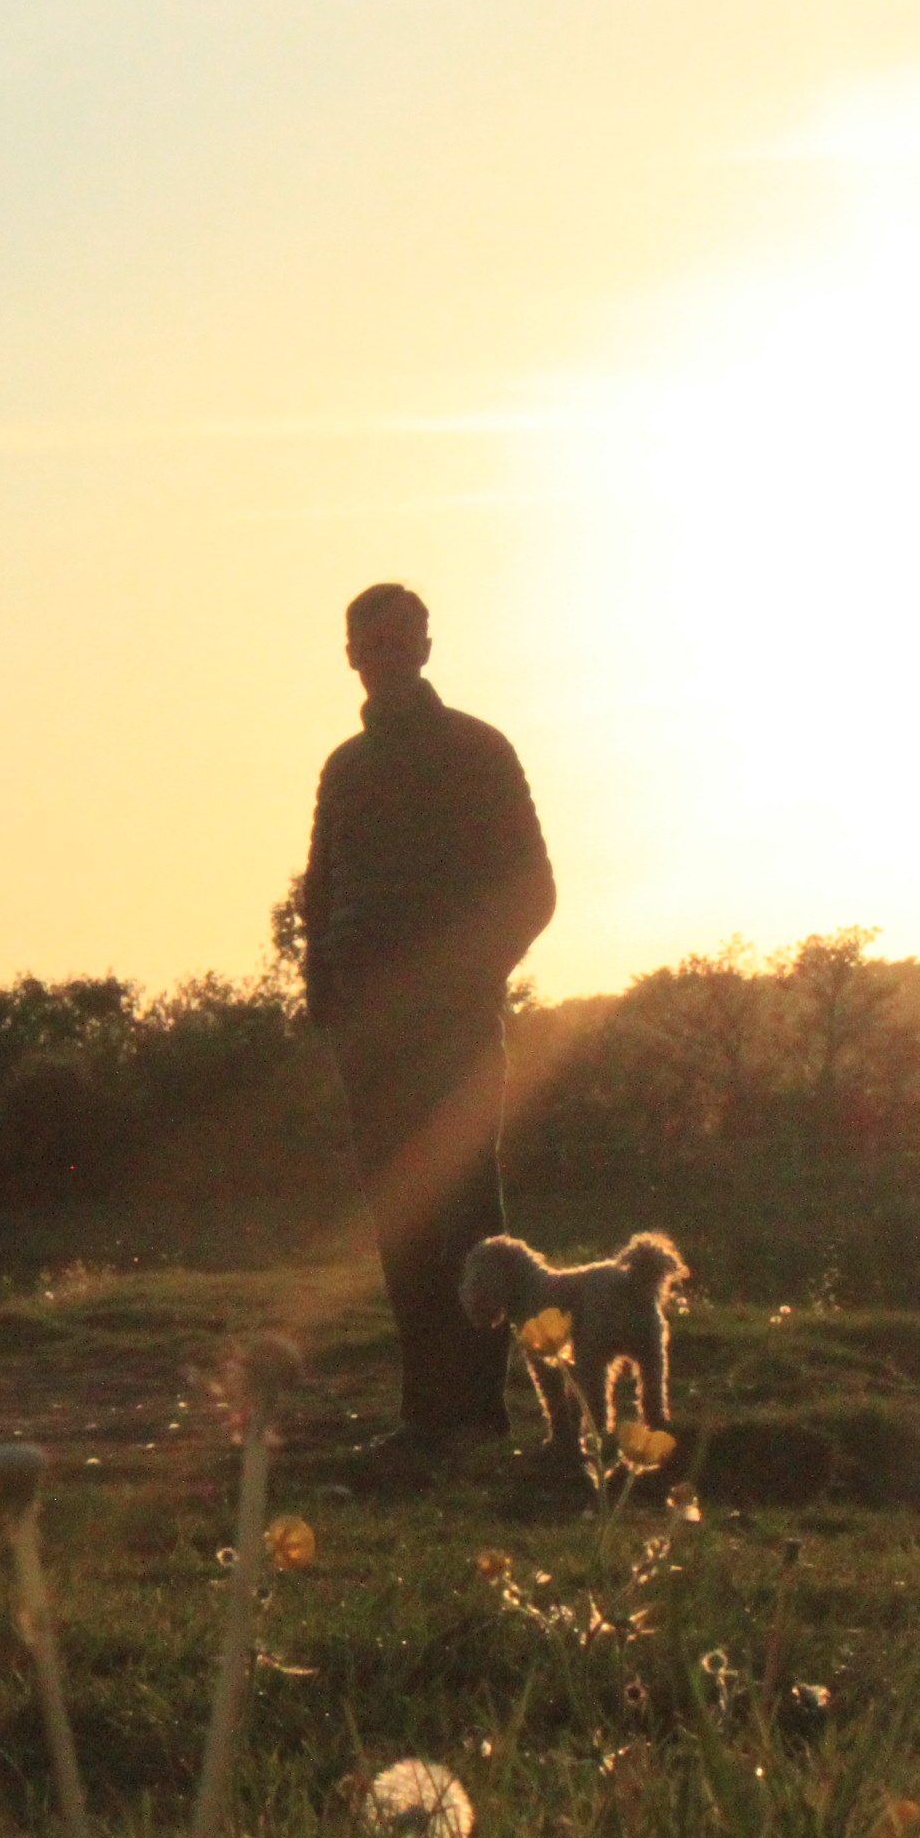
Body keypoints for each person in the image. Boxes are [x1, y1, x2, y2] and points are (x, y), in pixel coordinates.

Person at [300, 583, 556, 1465]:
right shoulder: (343, 768)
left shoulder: (479, 751)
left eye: (399, 638)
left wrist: (469, 982)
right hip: (366, 1036)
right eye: (368, 642)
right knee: (401, 1221)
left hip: (453, 1028)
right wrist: (328, 994)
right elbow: (320, 892)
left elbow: (532, 891)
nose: (383, 655)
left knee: (465, 1217)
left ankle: (479, 1418)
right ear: (350, 655)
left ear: (425, 646)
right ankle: (425, 1417)